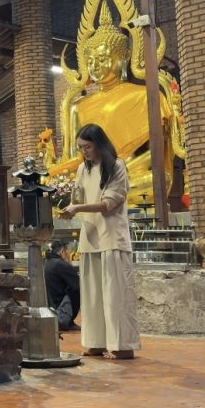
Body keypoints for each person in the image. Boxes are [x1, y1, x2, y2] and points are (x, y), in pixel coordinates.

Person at [59, 124, 140, 360]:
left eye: (87, 147)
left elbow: (108, 204)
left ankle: (122, 344)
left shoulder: (116, 166)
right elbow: (78, 198)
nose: (84, 152)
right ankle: (96, 342)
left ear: (99, 144)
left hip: (112, 237)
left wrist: (77, 208)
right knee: (92, 296)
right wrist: (68, 202)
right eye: (80, 148)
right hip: (90, 237)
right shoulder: (82, 169)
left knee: (116, 295)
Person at [44, 240, 80, 331]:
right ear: (62, 251)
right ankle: (69, 322)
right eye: (68, 252)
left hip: (50, 312)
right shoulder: (61, 265)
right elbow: (77, 285)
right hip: (61, 315)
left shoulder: (47, 263)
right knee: (77, 290)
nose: (69, 254)